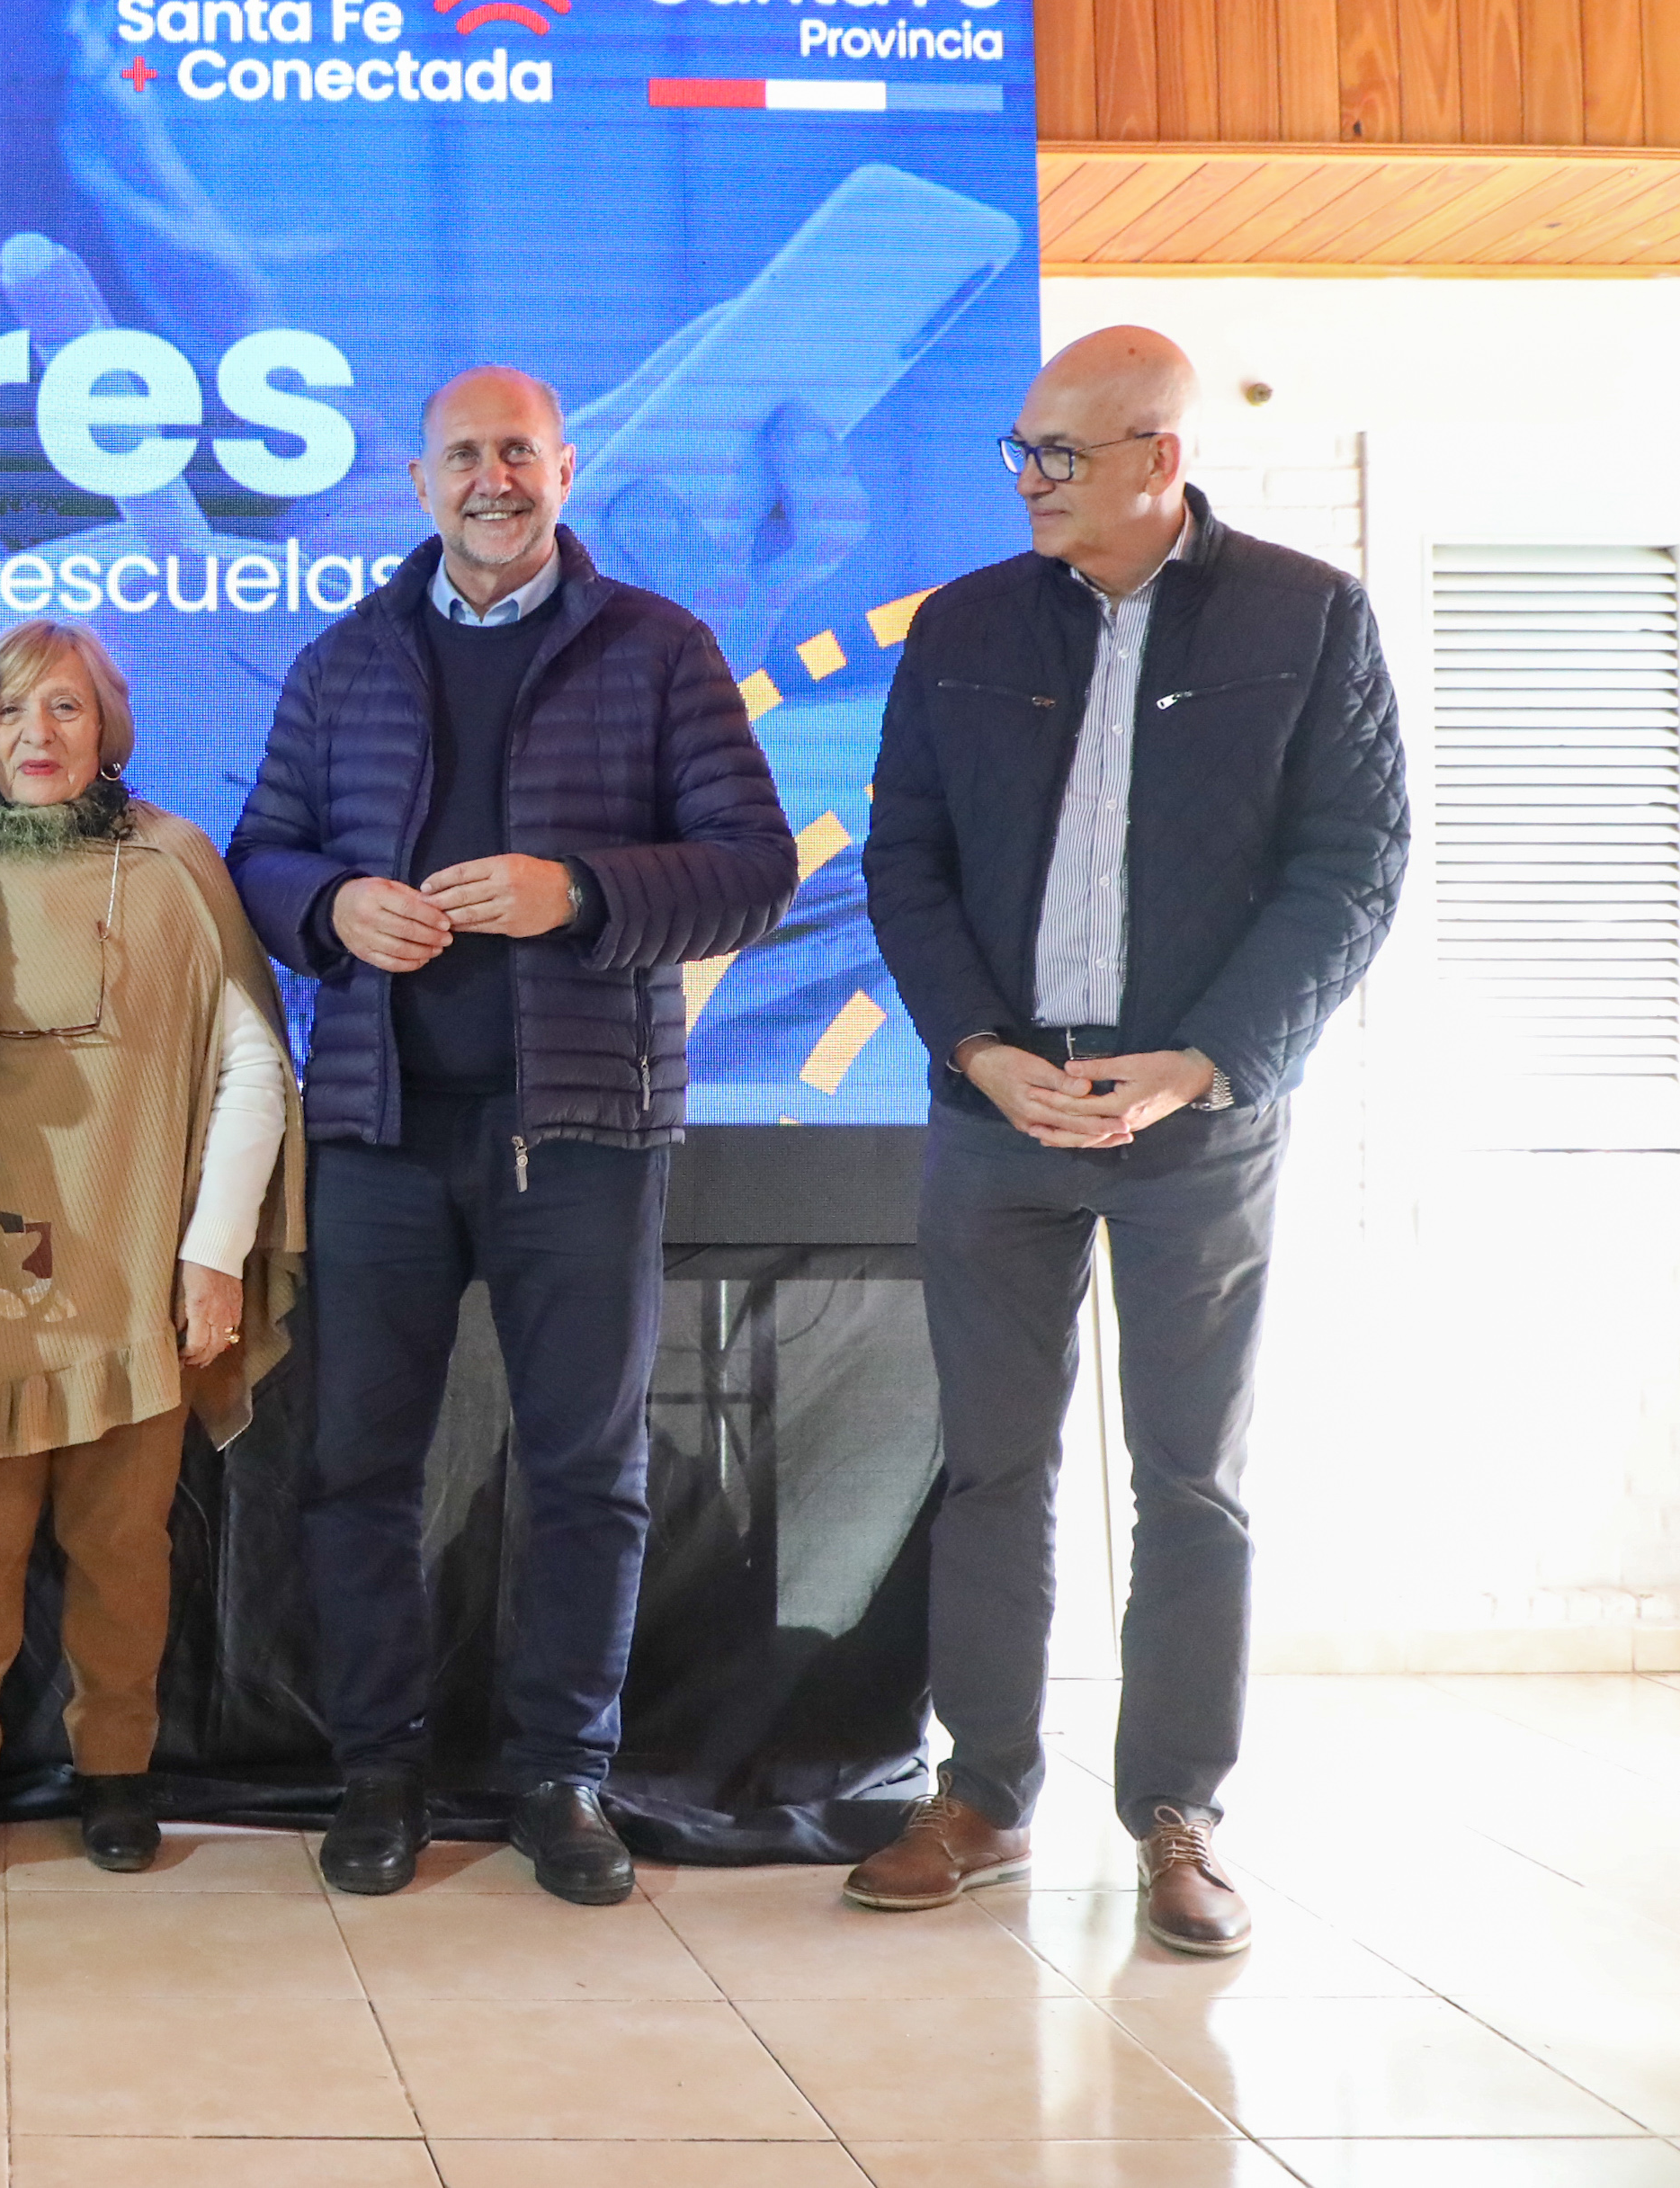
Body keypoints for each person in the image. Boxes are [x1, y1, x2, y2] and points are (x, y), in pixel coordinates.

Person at [850, 326, 1406, 1954]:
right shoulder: (960, 625)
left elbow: (1353, 865)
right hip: (997, 1116)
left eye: (1059, 456)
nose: (1026, 481)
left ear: (1158, 458)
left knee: (1190, 1482)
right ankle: (980, 1797)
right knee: (988, 1468)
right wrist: (976, 1048)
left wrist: (1209, 1062)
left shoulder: (1306, 616)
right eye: (1019, 451)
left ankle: (1177, 1813)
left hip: (1197, 1124)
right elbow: (902, 859)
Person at [230, 366, 797, 1905]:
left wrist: (582, 892)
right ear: (418, 484)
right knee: (355, 1471)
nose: (492, 478)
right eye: (463, 455)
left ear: (564, 469)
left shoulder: (659, 648)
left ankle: (561, 1777)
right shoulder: (344, 659)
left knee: (584, 1474)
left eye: (518, 453)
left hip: (585, 1134)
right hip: (378, 1132)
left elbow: (755, 868)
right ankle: (377, 1771)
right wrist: (327, 908)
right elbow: (260, 855)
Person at [0, 621, 303, 1880]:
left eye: (66, 708)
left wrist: (216, 1253)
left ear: (109, 728)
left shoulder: (177, 863)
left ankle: (116, 1769)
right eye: (11, 710)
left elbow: (252, 1069)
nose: (38, 734)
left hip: (141, 1252)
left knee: (124, 1538)